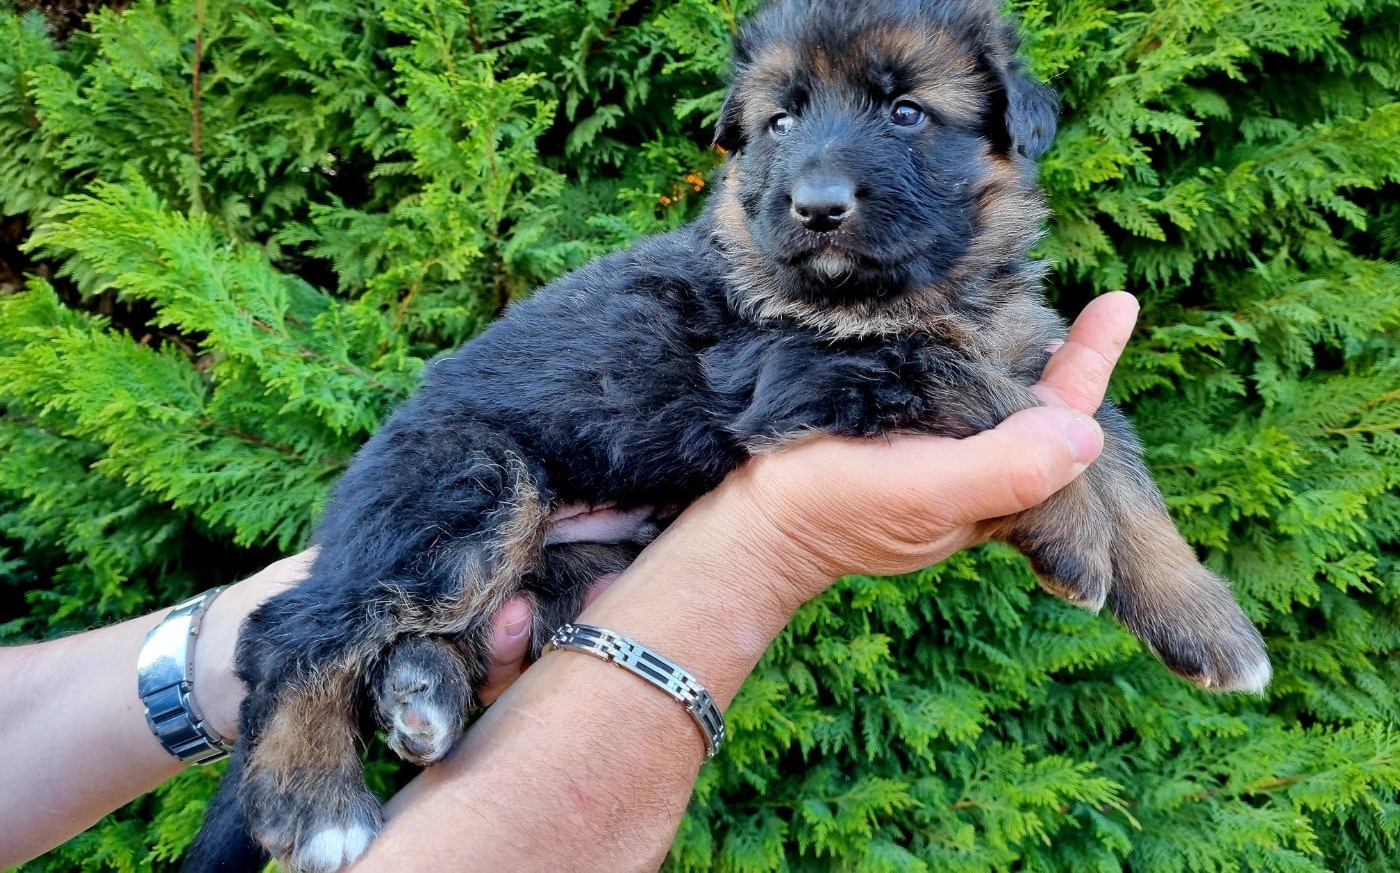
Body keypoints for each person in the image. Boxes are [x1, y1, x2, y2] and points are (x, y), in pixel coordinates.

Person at [0, 292, 1139, 871]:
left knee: (473, 603)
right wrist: (773, 543)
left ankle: (408, 674)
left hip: (574, 504)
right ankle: (298, 755)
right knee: (432, 566)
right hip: (504, 456)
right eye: (781, 122)